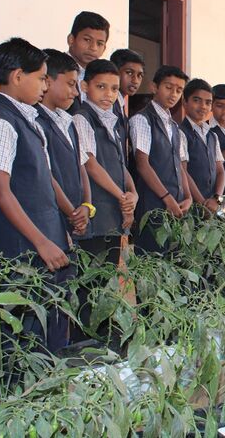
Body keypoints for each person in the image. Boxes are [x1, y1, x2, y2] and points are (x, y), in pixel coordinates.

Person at [0, 38, 71, 357]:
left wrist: (69, 214)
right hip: (22, 243)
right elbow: (1, 192)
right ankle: (20, 394)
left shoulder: (28, 119)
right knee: (22, 324)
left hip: (44, 234)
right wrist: (41, 241)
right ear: (18, 76)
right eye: (42, 77)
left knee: (47, 318)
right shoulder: (2, 122)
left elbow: (44, 178)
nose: (46, 85)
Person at [72, 60, 138, 340]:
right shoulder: (81, 117)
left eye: (113, 88)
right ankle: (85, 340)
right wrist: (120, 194)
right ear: (84, 87)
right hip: (95, 211)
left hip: (113, 211)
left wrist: (132, 192)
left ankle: (99, 335)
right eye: (100, 87)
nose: (108, 94)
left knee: (105, 277)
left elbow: (119, 163)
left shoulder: (112, 120)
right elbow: (89, 162)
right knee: (88, 281)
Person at [130, 65, 192, 253]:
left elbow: (180, 167)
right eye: (168, 87)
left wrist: (188, 197)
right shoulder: (142, 119)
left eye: (179, 90)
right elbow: (142, 164)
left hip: (177, 206)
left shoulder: (174, 127)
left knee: (172, 263)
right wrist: (166, 198)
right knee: (151, 260)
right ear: (154, 87)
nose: (173, 94)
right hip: (152, 206)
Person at [36, 49, 91, 239]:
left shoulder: (68, 121)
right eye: (70, 84)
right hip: (53, 218)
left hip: (76, 216)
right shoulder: (35, 122)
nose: (76, 93)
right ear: (47, 82)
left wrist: (87, 205)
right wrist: (73, 213)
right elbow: (46, 175)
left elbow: (81, 165)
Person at [179, 78, 225, 214]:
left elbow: (221, 171)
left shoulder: (212, 136)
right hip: (192, 206)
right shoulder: (180, 133)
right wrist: (202, 203)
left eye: (208, 102)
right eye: (196, 100)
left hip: (212, 205)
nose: (203, 106)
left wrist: (217, 199)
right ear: (184, 102)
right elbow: (183, 172)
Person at [66, 11, 110, 113]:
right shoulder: (53, 68)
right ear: (71, 39)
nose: (93, 48)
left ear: (104, 48)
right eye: (87, 40)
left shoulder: (102, 77)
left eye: (99, 43)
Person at [109, 48, 146, 161]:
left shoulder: (120, 106)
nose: (135, 80)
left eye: (139, 75)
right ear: (115, 72)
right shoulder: (108, 106)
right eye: (129, 73)